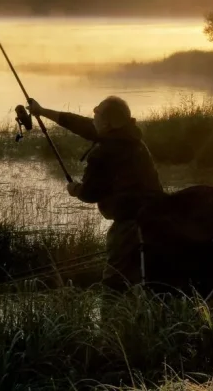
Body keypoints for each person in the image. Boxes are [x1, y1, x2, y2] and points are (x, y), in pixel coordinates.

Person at [27, 95, 164, 290]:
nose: (93, 113)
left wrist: (76, 190)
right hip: (158, 218)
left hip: (129, 225)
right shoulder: (130, 137)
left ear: (107, 122)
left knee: (114, 284)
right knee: (147, 279)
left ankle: (111, 318)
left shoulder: (104, 153)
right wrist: (42, 111)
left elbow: (90, 193)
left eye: (97, 111)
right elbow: (82, 125)